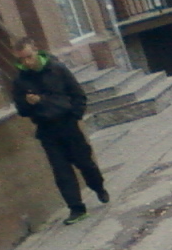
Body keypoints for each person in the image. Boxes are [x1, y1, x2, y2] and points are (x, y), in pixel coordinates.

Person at [11, 37, 109, 225]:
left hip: (68, 125)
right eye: (21, 60)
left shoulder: (57, 69)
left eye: (29, 57)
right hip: (47, 130)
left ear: (36, 51)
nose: (26, 62)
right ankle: (76, 208)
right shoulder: (20, 80)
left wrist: (75, 115)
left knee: (85, 163)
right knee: (61, 171)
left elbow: (77, 94)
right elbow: (21, 110)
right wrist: (28, 104)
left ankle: (98, 186)